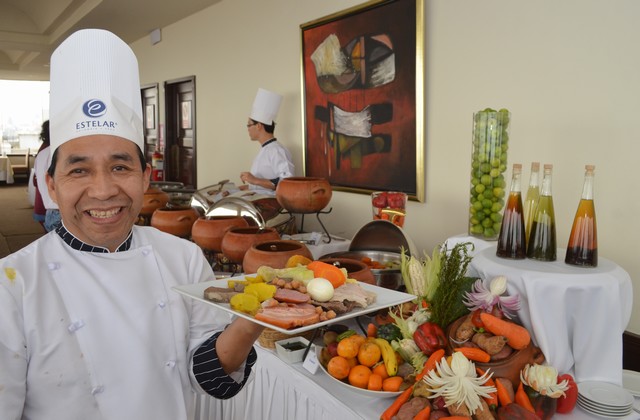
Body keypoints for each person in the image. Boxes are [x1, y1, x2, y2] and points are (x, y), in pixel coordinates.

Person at [0, 29, 264, 420]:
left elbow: (210, 379)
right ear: (51, 186)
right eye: (79, 170)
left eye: (120, 167)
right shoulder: (13, 284)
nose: (104, 191)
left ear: (144, 178)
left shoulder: (184, 258)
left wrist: (252, 321)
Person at [239, 88, 294, 195]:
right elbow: (261, 186)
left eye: (249, 125)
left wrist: (255, 180)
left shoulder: (277, 150)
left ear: (259, 126)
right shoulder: (265, 150)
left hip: (271, 204)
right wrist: (237, 189)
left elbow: (287, 181)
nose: (248, 129)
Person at [32, 119, 62, 232]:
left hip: (49, 211)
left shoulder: (42, 153)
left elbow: (36, 180)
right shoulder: (60, 153)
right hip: (61, 212)